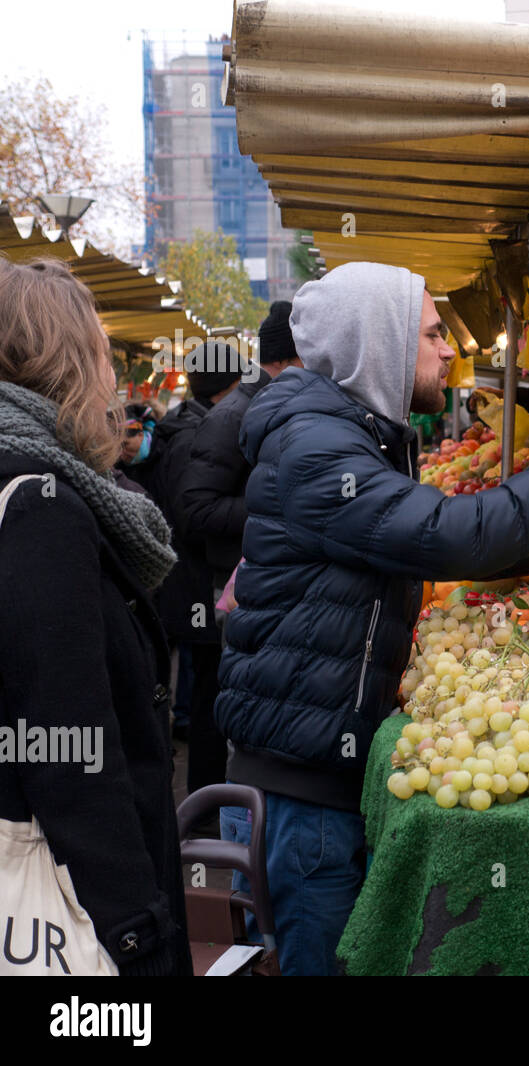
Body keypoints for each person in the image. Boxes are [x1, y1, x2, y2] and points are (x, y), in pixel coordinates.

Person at [214, 262, 529, 975]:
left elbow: (456, 552)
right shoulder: (318, 448)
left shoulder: (350, 436)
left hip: (311, 773)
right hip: (301, 792)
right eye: (431, 334)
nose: (448, 348)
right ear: (383, 344)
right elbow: (451, 534)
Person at [0, 257, 191, 975]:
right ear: (67, 360)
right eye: (102, 351)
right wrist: (137, 931)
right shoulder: (40, 507)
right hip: (70, 900)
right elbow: (64, 743)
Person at [142, 351, 243, 798]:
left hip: (189, 585)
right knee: (208, 697)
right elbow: (192, 518)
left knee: (207, 691)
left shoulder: (185, 426)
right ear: (224, 388)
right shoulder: (194, 436)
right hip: (194, 587)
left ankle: (205, 795)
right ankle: (205, 799)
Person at [179, 301, 303, 592]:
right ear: (283, 361)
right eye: (304, 358)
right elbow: (198, 507)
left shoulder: (271, 405)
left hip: (269, 574)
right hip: (240, 584)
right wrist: (279, 504)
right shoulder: (231, 416)